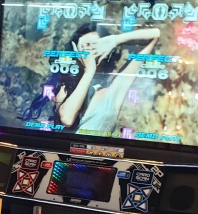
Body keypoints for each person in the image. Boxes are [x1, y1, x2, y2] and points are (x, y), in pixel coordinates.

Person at [25, 22, 161, 136]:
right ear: (76, 51)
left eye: (94, 45)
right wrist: (89, 71)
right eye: (85, 46)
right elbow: (67, 118)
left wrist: (115, 40)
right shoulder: (66, 86)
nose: (90, 51)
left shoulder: (114, 89)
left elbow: (155, 35)